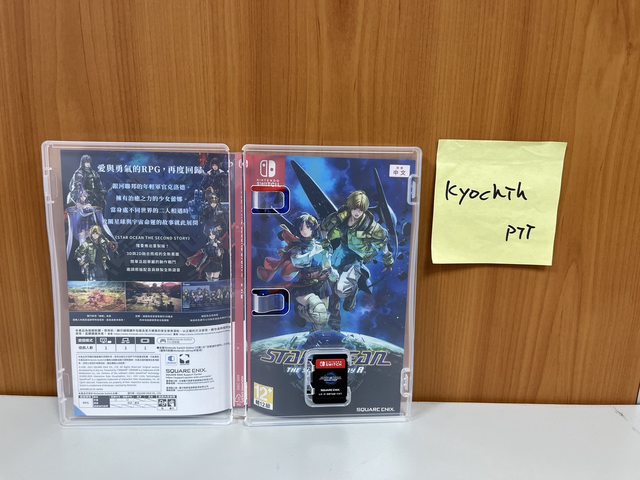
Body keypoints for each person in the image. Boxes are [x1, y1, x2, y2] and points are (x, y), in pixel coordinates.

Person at [321, 190, 393, 329]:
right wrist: (325, 241)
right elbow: (324, 227)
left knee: (341, 290)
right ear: (350, 206)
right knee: (330, 282)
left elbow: (383, 241)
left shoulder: (370, 225)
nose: (357, 212)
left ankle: (352, 290)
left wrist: (388, 260)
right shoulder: (342, 216)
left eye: (360, 209)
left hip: (356, 257)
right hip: (342, 251)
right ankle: (335, 317)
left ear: (364, 209)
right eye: (354, 208)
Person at [257, 213, 337, 331]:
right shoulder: (296, 248)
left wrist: (331, 271)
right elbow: (298, 261)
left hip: (321, 285)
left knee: (322, 318)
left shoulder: (321, 245)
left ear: (313, 228)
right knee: (319, 311)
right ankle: (300, 311)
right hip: (305, 285)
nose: (305, 230)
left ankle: (314, 332)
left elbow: (327, 263)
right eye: (301, 228)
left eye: (308, 227)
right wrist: (312, 254)